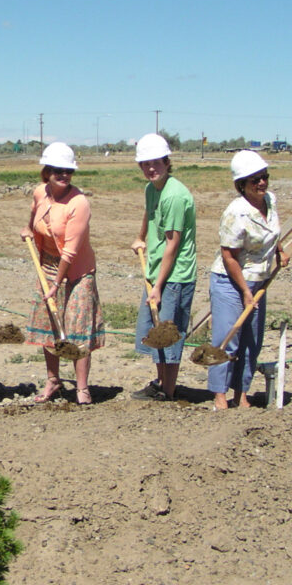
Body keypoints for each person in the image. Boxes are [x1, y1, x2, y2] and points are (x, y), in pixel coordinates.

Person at [20, 142, 105, 405]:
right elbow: (35, 215)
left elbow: (70, 251)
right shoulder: (40, 193)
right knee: (50, 328)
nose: (63, 175)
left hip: (77, 272)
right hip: (46, 266)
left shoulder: (79, 203)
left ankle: (81, 388)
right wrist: (27, 229)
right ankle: (53, 381)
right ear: (47, 171)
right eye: (57, 170)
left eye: (68, 170)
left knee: (78, 330)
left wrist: (57, 283)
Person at [207, 150, 289, 410]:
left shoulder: (271, 201)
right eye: (255, 180)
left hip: (259, 281)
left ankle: (241, 393)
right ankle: (219, 395)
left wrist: (280, 250)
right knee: (227, 339)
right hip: (231, 281)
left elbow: (272, 234)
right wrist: (244, 291)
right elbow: (229, 256)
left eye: (264, 177)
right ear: (241, 184)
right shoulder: (236, 213)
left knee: (252, 341)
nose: (262, 183)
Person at [130, 134, 197, 401]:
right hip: (156, 271)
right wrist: (141, 236)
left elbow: (173, 244)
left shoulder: (175, 196)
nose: (150, 168)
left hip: (175, 276)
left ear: (167, 162)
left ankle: (168, 392)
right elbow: (149, 212)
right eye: (145, 164)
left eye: (156, 162)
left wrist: (158, 286)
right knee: (154, 333)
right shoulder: (151, 189)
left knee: (169, 336)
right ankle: (160, 383)